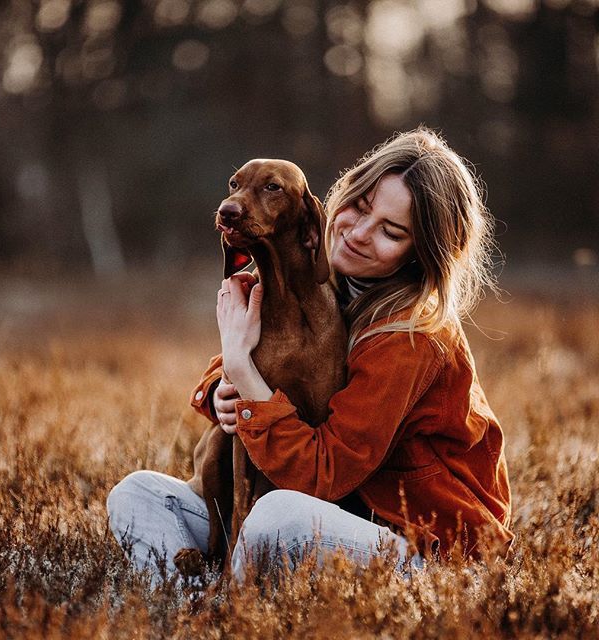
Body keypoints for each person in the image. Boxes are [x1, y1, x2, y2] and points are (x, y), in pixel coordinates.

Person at [107, 127, 513, 585]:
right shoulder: (326, 283)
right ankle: (191, 599)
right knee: (137, 493)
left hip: (424, 547)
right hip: (334, 519)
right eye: (359, 207)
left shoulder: (413, 337)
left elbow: (322, 476)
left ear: (422, 254)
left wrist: (243, 377)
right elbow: (275, 365)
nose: (359, 233)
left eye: (391, 231)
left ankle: (233, 612)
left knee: (277, 515)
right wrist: (221, 386)